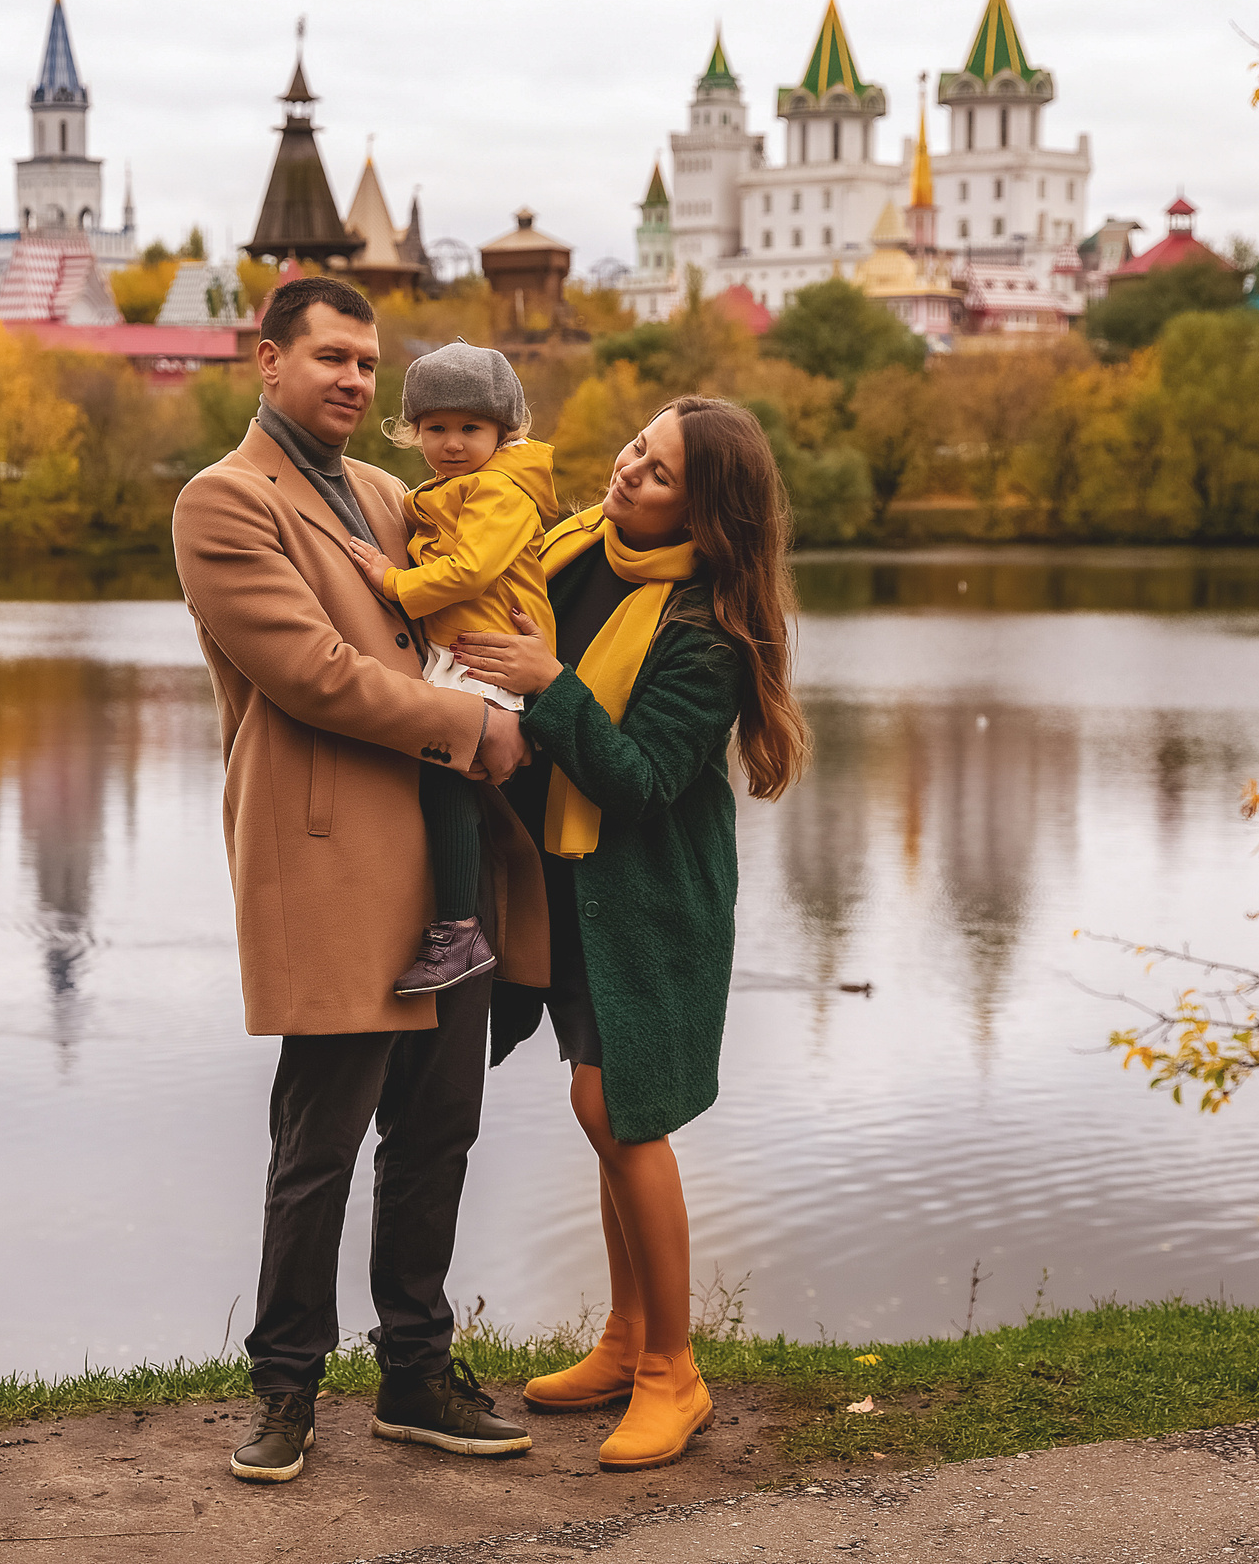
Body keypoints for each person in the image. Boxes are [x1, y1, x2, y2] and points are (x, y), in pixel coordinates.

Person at [170, 276, 549, 1485]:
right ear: (265, 361)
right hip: (333, 855)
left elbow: (486, 582)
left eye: (365, 363)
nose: (351, 380)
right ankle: (283, 1389)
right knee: (317, 1140)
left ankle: (415, 1376)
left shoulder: (394, 493)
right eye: (328, 356)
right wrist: (472, 726)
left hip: (448, 860)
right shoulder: (225, 503)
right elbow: (315, 672)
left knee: (439, 1127)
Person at [450, 395, 810, 1473]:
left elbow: (644, 780)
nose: (627, 475)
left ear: (706, 517)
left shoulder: (708, 631)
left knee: (624, 1109)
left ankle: (673, 1373)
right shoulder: (566, 548)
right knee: (597, 1106)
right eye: (634, 451)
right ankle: (622, 1341)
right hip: (559, 880)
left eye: (657, 476)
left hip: (646, 895)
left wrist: (550, 688)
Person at [339, 341, 559, 997]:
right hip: (460, 654)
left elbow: (470, 572)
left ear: (504, 431)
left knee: (445, 778)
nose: (453, 442)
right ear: (413, 432)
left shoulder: (502, 491)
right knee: (441, 778)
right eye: (436, 428)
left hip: (490, 657)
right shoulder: (448, 491)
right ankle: (454, 916)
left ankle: (460, 928)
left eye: (471, 428)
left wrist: (392, 584)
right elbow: (424, 519)